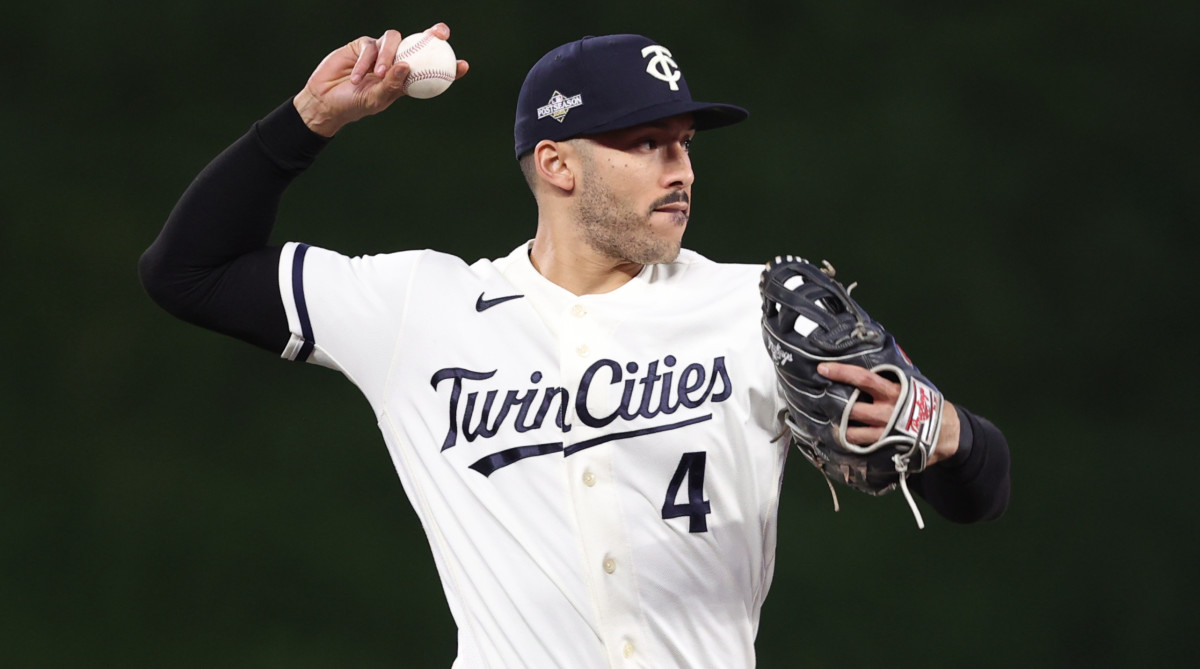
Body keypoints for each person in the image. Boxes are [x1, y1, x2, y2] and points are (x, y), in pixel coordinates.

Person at [140, 23, 1010, 668]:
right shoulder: (420, 305)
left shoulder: (754, 306)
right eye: (646, 142)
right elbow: (187, 271)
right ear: (558, 166)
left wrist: (946, 432)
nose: (681, 167)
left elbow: (982, 486)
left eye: (684, 142)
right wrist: (306, 121)